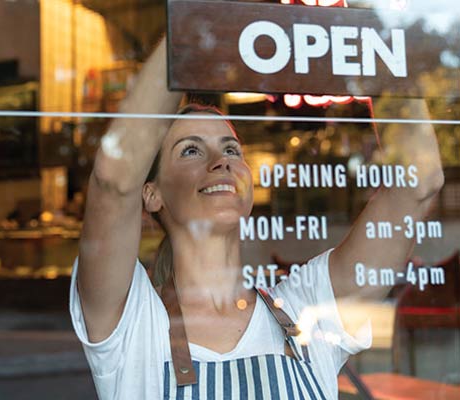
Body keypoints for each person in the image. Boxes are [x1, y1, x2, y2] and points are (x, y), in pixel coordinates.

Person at [69, 37, 444, 399]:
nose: (221, 161)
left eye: (230, 148)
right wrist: (194, 21)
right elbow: (113, 180)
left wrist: (371, 32)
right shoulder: (132, 324)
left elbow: (418, 183)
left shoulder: (305, 309)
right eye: (190, 151)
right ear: (150, 193)